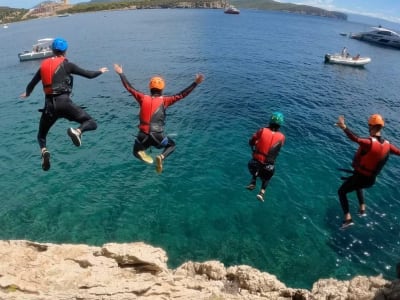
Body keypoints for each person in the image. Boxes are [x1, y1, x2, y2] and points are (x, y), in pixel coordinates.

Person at [20, 37, 109, 171]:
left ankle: (44, 151)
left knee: (41, 136)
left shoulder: (43, 66)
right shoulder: (67, 65)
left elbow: (31, 84)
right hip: (65, 103)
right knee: (91, 122)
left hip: (49, 106)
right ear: (65, 51)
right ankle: (78, 131)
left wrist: (27, 93)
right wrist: (100, 71)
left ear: (52, 50)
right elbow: (88, 75)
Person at [113, 64, 204, 173]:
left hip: (142, 136)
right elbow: (182, 94)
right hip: (157, 136)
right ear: (162, 89)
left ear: (150, 88)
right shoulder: (165, 101)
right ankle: (161, 157)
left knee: (135, 151)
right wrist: (195, 83)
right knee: (172, 145)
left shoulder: (142, 98)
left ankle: (141, 151)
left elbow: (129, 87)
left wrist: (121, 73)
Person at [336, 114, 400, 229]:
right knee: (357, 185)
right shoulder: (388, 145)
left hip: (360, 177)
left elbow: (355, 138)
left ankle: (348, 219)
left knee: (341, 192)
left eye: (369, 126)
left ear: (372, 126)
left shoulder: (369, 143)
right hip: (371, 180)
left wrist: (344, 127)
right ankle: (362, 209)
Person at [246, 112, 285, 202]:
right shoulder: (282, 137)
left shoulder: (262, 130)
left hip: (254, 164)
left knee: (256, 166)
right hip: (269, 167)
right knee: (267, 176)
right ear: (280, 124)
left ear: (270, 121)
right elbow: (276, 148)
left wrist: (255, 143)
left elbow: (252, 141)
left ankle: (253, 182)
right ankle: (262, 192)